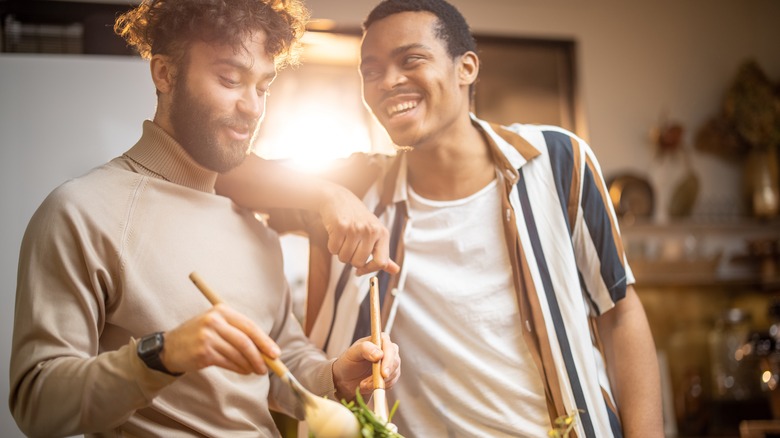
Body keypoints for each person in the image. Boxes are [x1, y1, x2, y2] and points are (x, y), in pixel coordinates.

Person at [216, 0, 664, 437]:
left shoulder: (558, 160)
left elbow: (619, 316)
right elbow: (223, 169)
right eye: (371, 70)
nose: (388, 81)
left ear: (466, 68)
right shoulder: (357, 186)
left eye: (411, 60)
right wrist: (325, 193)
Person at [8, 0, 401, 436]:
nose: (253, 107)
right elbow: (37, 404)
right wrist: (163, 354)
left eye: (263, 87)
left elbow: (281, 363)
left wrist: (335, 375)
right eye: (230, 79)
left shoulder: (254, 228)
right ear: (164, 73)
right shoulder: (82, 211)